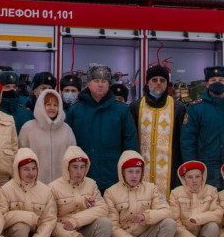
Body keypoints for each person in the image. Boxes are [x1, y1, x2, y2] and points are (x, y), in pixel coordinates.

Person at [103, 151, 176, 237]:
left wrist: (146, 216)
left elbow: (167, 211)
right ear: (122, 172)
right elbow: (113, 228)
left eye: (138, 171)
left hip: (144, 236)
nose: (134, 176)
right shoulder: (111, 193)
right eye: (130, 171)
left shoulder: (151, 188)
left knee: (169, 223)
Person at [66, 63, 139, 192]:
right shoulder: (75, 110)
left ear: (108, 84)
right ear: (88, 83)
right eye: (96, 81)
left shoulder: (122, 110)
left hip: (114, 178)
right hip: (83, 177)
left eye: (104, 81)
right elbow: (68, 147)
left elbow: (130, 143)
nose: (100, 84)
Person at [49, 146, 113, 237]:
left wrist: (76, 221)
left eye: (82, 167)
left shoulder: (91, 184)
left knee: (105, 222)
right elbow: (50, 220)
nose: (79, 172)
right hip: (63, 234)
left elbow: (102, 208)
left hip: (83, 230)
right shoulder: (53, 187)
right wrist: (68, 232)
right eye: (74, 167)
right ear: (67, 167)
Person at [181, 65, 224, 190]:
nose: (217, 83)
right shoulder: (195, 109)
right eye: (213, 80)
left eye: (221, 80)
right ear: (207, 84)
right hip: (207, 168)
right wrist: (192, 167)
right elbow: (187, 141)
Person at [129, 64, 186, 198]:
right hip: (141, 168)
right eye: (154, 80)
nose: (158, 83)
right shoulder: (136, 107)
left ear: (167, 84)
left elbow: (183, 140)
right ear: (148, 83)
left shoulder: (178, 108)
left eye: (162, 80)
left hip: (170, 170)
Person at [167, 160, 222, 237]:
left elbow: (218, 214)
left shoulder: (211, 191)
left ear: (203, 177)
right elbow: (175, 220)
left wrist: (199, 218)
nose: (194, 180)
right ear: (184, 178)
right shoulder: (176, 193)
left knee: (213, 226)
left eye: (197, 176)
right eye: (190, 177)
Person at [18, 88, 78, 185]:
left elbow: (73, 157)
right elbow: (21, 157)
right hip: (36, 184)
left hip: (62, 185)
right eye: (48, 104)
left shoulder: (67, 129)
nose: (52, 108)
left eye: (55, 105)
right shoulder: (28, 128)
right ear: (41, 106)